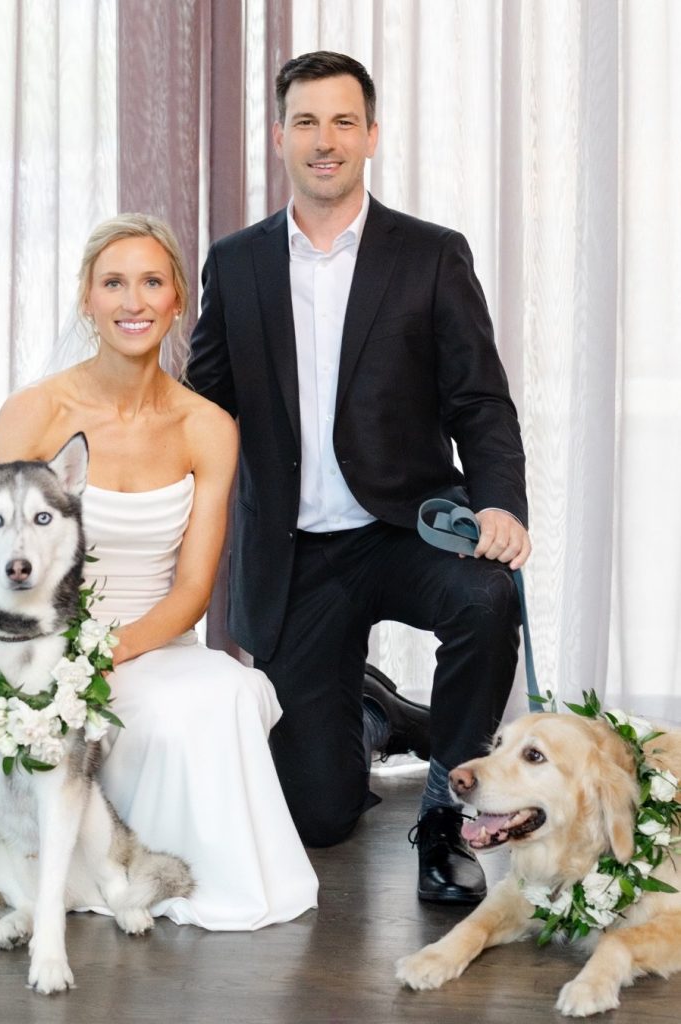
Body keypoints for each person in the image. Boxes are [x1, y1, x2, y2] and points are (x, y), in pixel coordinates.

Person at [0, 213, 317, 965]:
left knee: (225, 694)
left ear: (176, 302)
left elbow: (196, 586)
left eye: (150, 282)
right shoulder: (37, 412)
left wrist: (106, 655)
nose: (131, 300)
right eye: (113, 283)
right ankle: (55, 880)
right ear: (86, 299)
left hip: (155, 641)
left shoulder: (207, 426)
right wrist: (55, 662)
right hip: (38, 647)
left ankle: (183, 886)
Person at [187, 51, 530, 905]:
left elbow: (479, 399)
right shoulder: (234, 265)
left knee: (486, 601)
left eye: (343, 121)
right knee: (318, 814)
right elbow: (203, 406)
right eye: (306, 122)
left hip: (405, 526)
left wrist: (498, 502)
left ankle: (447, 820)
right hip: (297, 552)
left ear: (371, 135)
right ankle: (378, 715)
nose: (325, 141)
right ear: (280, 138)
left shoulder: (430, 255)